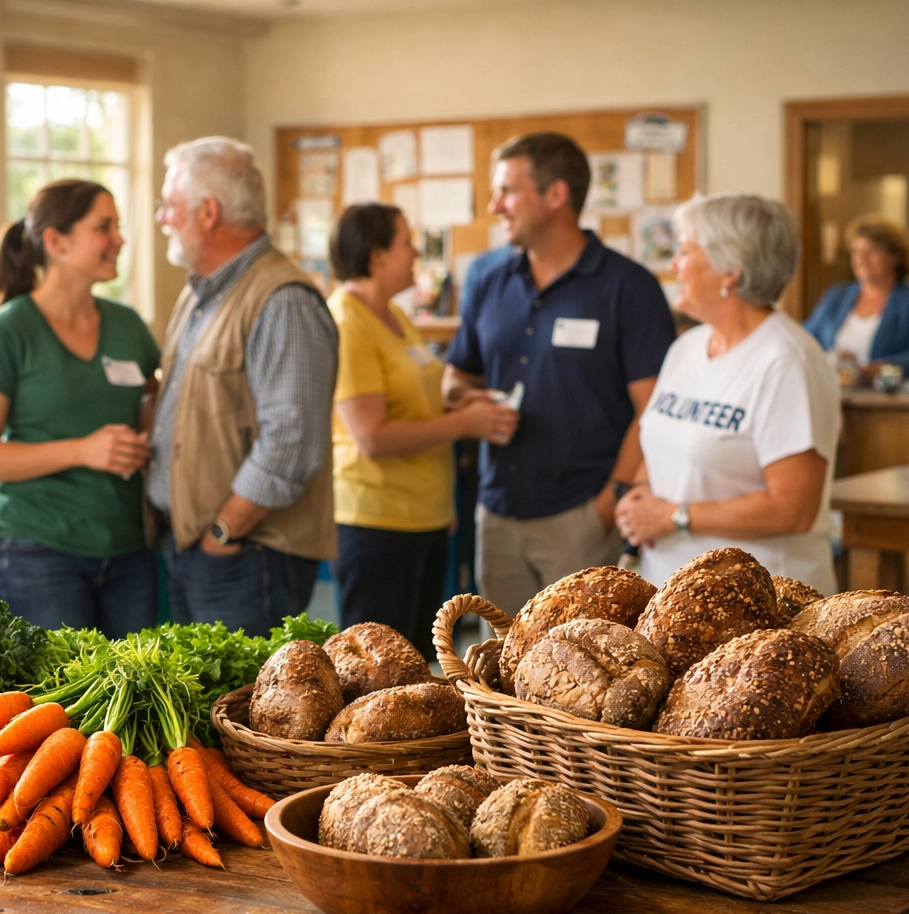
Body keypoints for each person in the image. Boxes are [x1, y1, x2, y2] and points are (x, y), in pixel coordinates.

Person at [442, 132, 673, 617]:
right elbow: (454, 381)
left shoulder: (629, 287)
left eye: (507, 191)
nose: (494, 205)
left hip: (581, 519)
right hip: (496, 518)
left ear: (556, 195)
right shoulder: (488, 282)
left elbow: (652, 410)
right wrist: (471, 407)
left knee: (583, 660)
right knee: (498, 659)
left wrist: (608, 505)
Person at [148, 137, 338, 637]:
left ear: (208, 212)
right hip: (196, 548)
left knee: (248, 690)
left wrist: (223, 530)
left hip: (246, 554)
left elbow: (291, 440)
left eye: (169, 205)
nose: (162, 218)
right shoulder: (201, 291)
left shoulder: (282, 300)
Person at [0, 179, 159, 636]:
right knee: (53, 684)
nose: (119, 239)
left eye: (117, 226)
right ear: (55, 241)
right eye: (103, 227)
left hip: (129, 551)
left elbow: (152, 402)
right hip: (35, 552)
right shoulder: (6, 332)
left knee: (135, 683)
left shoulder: (128, 326)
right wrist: (83, 450)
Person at [615, 194, 841, 594]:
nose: (673, 265)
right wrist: (640, 494)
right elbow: (660, 443)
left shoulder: (788, 360)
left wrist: (674, 517)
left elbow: (794, 509)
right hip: (673, 592)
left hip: (760, 599)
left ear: (730, 270)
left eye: (685, 251)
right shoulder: (685, 348)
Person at [327, 202, 515, 653]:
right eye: (407, 242)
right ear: (376, 255)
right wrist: (462, 423)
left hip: (423, 516)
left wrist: (457, 402)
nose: (416, 252)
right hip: (376, 523)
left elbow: (412, 399)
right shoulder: (348, 320)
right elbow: (372, 436)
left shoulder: (394, 315)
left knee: (419, 661)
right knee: (378, 670)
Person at [803, 214, 909, 381]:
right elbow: (804, 341)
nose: (861, 258)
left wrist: (873, 370)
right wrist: (832, 357)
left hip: (885, 394)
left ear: (895, 257)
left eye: (872, 250)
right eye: (856, 251)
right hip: (833, 389)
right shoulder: (836, 296)